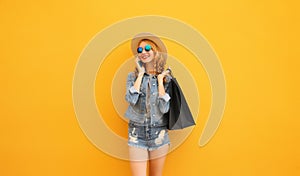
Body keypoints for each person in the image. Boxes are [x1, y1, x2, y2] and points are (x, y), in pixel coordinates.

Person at [124, 32, 172, 176]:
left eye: (147, 48)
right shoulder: (132, 77)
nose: (143, 52)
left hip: (159, 134)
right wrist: (140, 74)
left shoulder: (166, 77)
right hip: (136, 134)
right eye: (140, 50)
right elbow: (131, 99)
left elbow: (164, 108)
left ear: (155, 51)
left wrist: (160, 81)